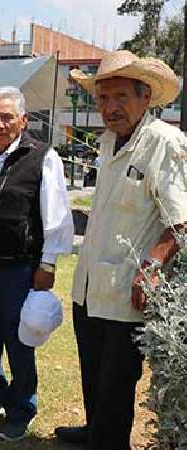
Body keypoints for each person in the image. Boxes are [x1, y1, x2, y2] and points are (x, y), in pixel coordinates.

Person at [54, 50, 186, 449]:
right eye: (103, 98)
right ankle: (95, 430)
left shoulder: (164, 142)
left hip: (128, 289)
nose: (110, 108)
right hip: (92, 284)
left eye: (121, 97)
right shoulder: (108, 141)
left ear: (145, 97)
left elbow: (181, 219)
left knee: (115, 380)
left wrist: (152, 266)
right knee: (92, 370)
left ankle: (107, 440)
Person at [0, 86, 74, 442]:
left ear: (22, 119)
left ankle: (21, 408)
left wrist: (47, 264)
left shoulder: (42, 157)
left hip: (18, 268)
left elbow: (57, 217)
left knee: (19, 342)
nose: (0, 123)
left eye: (7, 117)